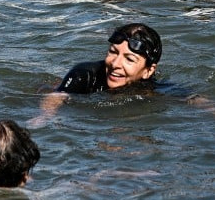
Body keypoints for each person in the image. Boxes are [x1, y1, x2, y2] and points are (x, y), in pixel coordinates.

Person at [32, 23, 162, 124]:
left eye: (129, 59)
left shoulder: (153, 89)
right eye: (113, 52)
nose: (115, 64)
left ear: (148, 71)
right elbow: (56, 97)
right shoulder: (84, 75)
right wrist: (45, 117)